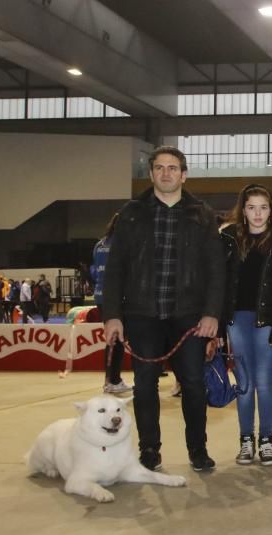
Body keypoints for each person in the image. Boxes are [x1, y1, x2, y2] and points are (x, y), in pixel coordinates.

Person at [102, 145, 225, 472]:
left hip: (189, 315)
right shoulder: (131, 213)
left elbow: (216, 269)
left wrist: (212, 312)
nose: (166, 173)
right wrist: (113, 314)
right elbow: (115, 268)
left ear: (183, 174)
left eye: (173, 168)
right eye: (159, 167)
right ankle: (149, 450)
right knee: (144, 384)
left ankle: (198, 450)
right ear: (152, 173)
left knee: (194, 384)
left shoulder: (203, 214)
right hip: (142, 314)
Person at [221, 184, 272, 466]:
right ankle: (245, 440)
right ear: (243, 210)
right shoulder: (228, 238)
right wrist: (219, 329)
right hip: (236, 320)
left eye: (263, 207)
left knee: (264, 382)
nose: (257, 214)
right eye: (252, 207)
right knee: (244, 383)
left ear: (271, 210)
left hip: (267, 320)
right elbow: (219, 284)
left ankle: (266, 439)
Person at [92, 213, 131, 394]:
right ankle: (113, 379)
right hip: (118, 297)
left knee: (112, 338)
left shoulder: (100, 244)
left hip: (101, 296)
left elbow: (95, 271)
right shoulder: (122, 244)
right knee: (118, 340)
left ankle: (110, 378)